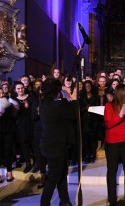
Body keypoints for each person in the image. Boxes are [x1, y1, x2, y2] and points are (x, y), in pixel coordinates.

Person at [39, 78, 77, 206]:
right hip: (56, 147)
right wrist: (68, 96)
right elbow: (73, 111)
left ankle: (65, 201)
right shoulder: (56, 106)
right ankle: (44, 203)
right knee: (53, 177)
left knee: (62, 174)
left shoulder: (44, 103)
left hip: (52, 145)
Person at [104, 84, 125, 206]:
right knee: (112, 171)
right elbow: (108, 124)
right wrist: (120, 115)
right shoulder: (109, 106)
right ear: (121, 92)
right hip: (112, 142)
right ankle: (112, 200)